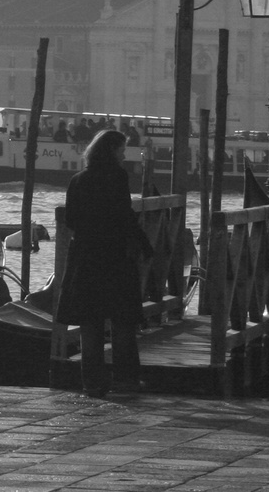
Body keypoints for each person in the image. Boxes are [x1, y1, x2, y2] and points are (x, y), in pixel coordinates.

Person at [55, 127, 152, 397]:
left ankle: (93, 383)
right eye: (121, 149)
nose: (124, 155)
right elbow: (124, 215)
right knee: (122, 321)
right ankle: (125, 379)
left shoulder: (77, 179)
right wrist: (145, 246)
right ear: (111, 150)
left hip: (85, 258)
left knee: (90, 324)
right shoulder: (117, 176)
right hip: (114, 257)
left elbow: (71, 220)